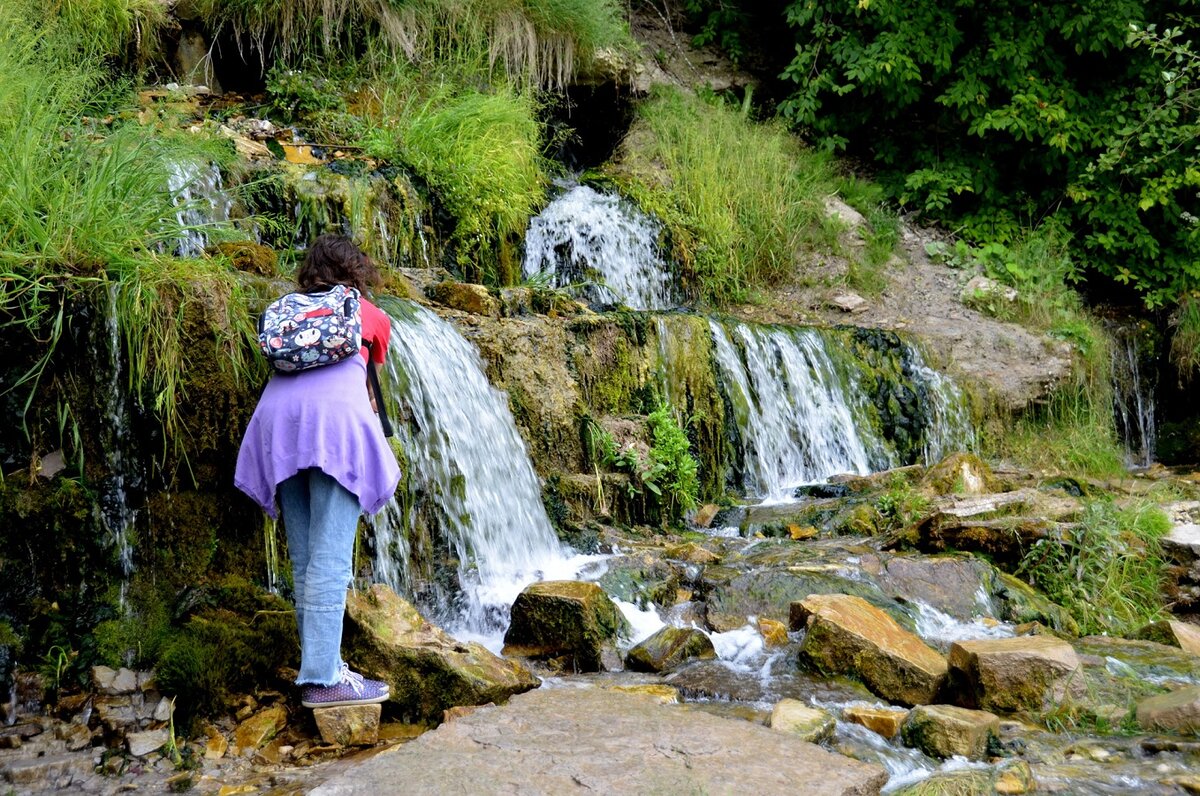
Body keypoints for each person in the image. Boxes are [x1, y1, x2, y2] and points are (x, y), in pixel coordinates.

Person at [235, 234, 400, 708]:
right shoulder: (369, 315)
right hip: (334, 428)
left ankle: (317, 670)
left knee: (305, 559)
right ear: (358, 273)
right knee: (330, 557)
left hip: (278, 428)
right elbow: (370, 388)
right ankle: (325, 679)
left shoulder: (285, 310)